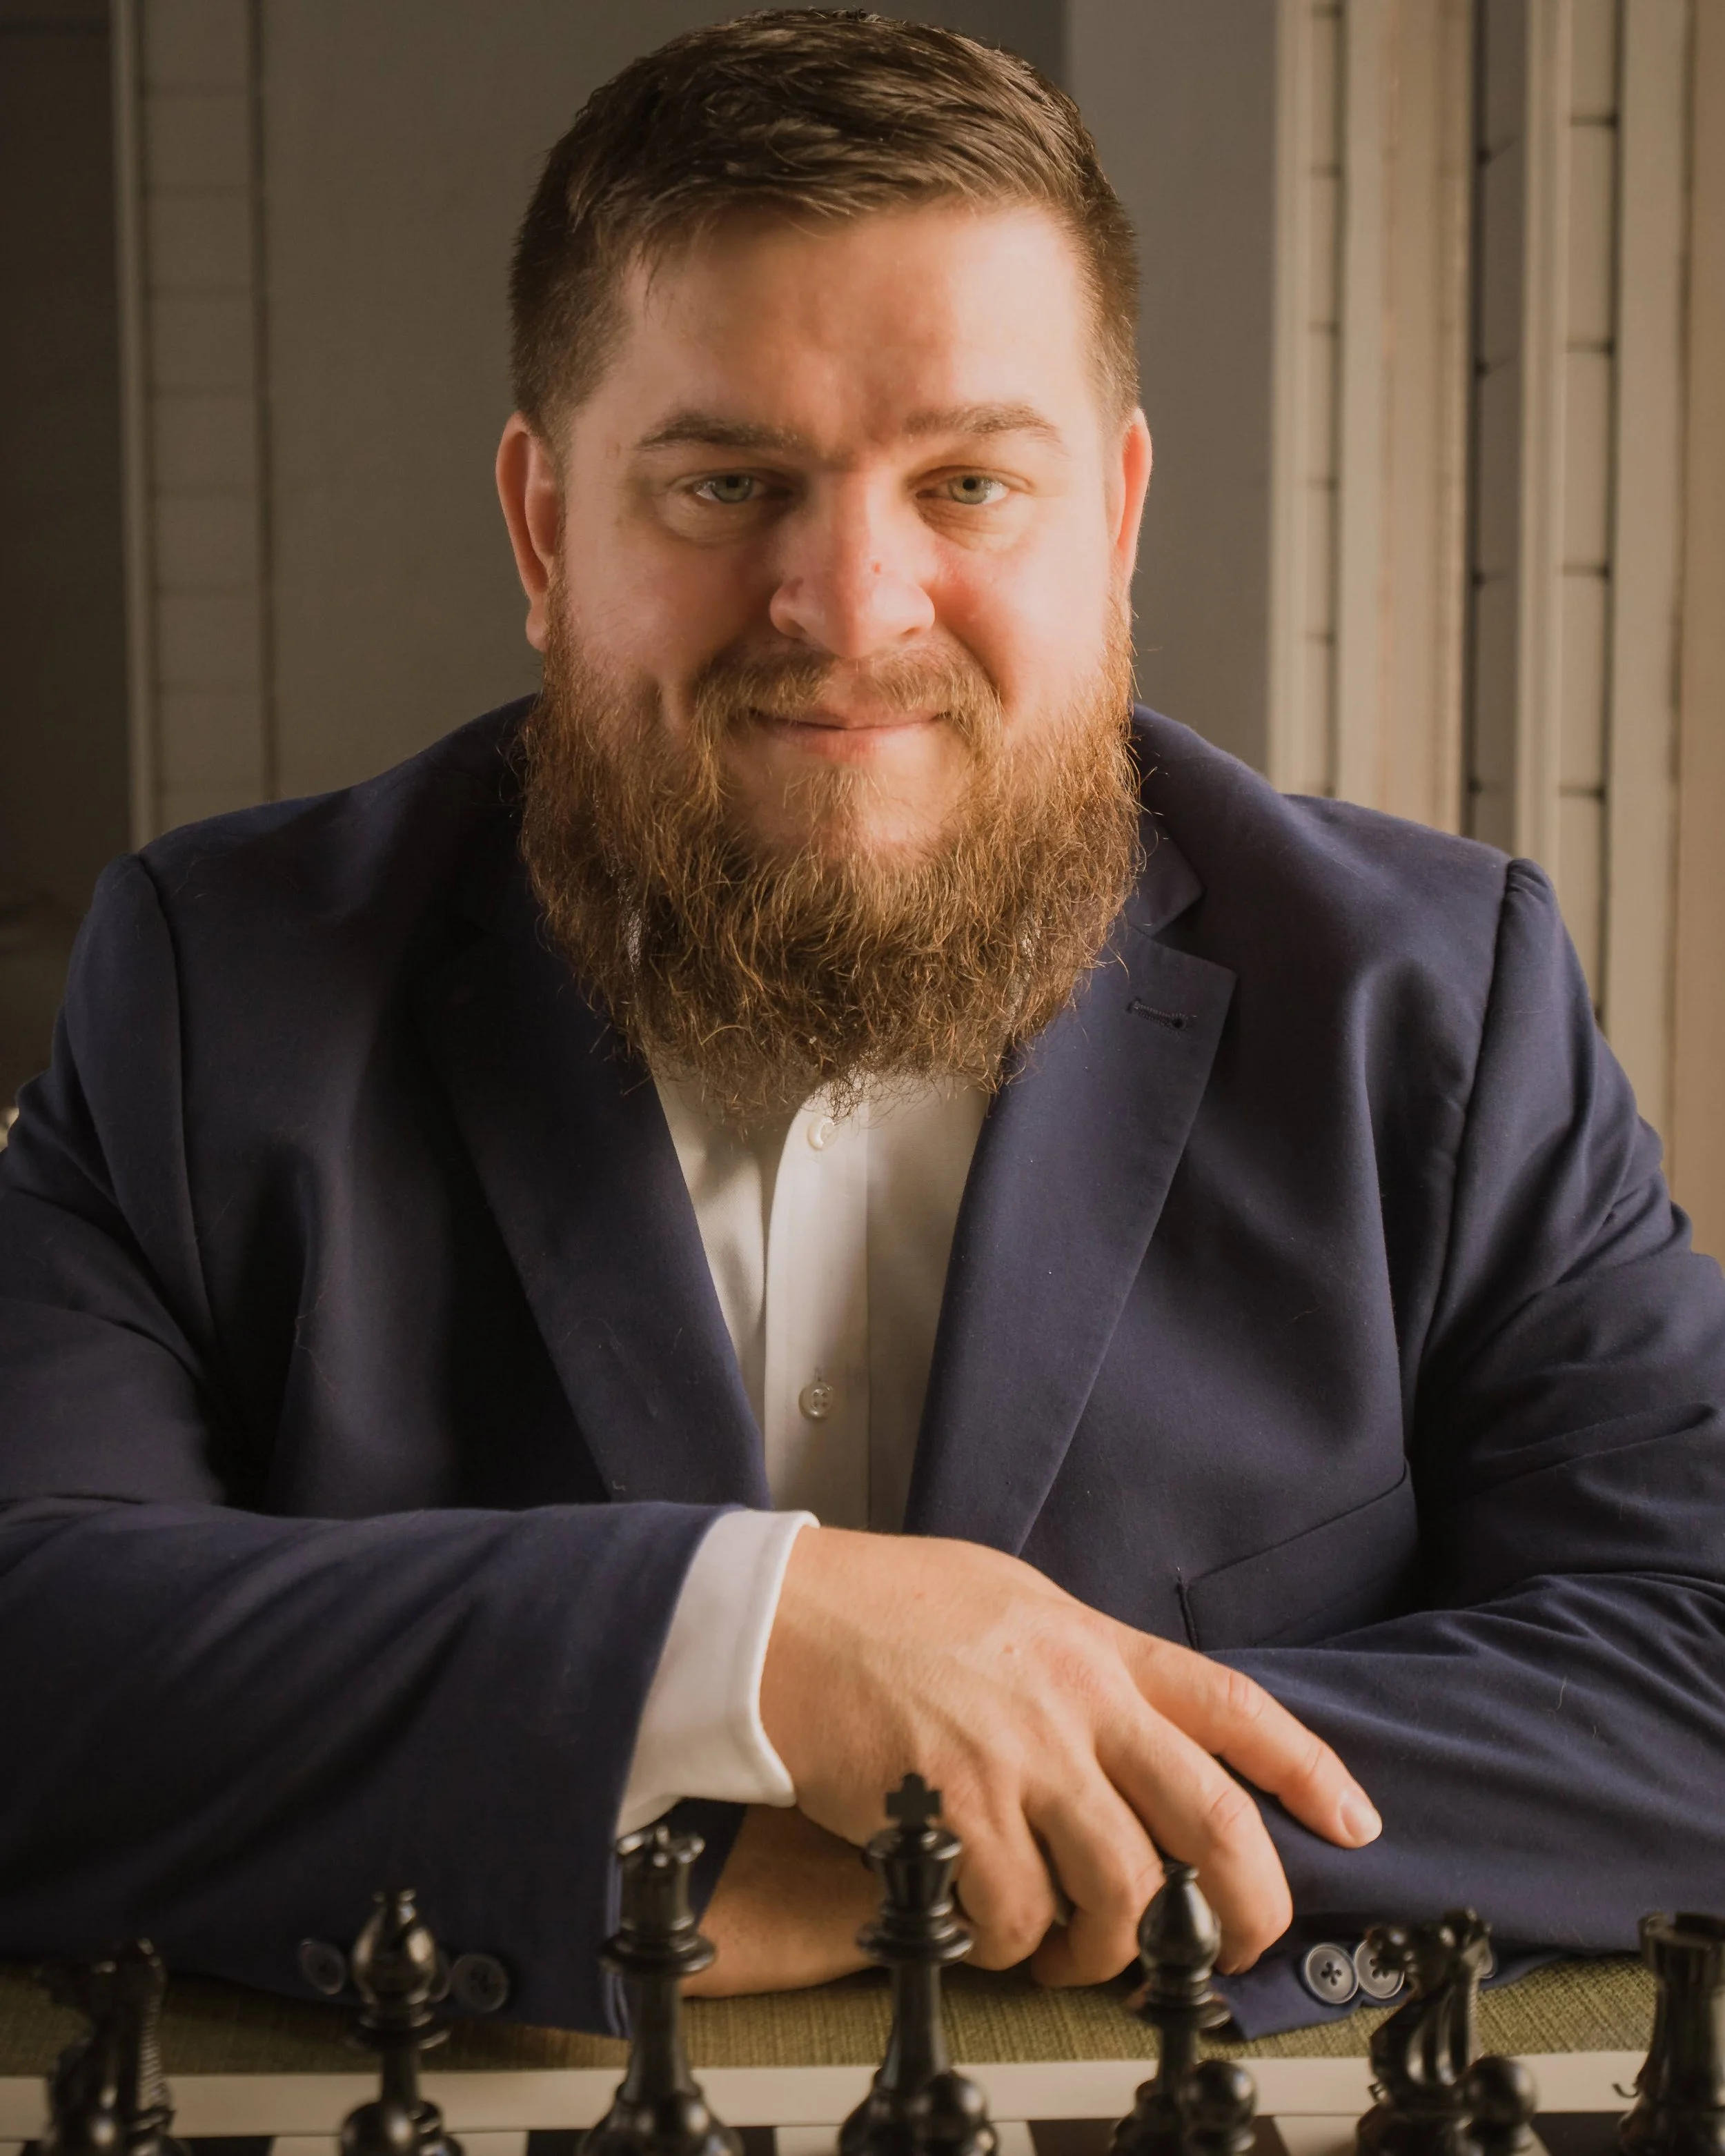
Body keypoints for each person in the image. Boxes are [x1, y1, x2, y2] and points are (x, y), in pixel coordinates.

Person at [2, 11, 1723, 2043]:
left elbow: (1693, 1661)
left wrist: (922, 1839)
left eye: (970, 483)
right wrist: (748, 1635)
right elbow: (34, 1641)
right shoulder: (216, 980)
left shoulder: (1435, 992)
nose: (848, 603)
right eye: (725, 482)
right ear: (545, 529)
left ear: (1116, 519)